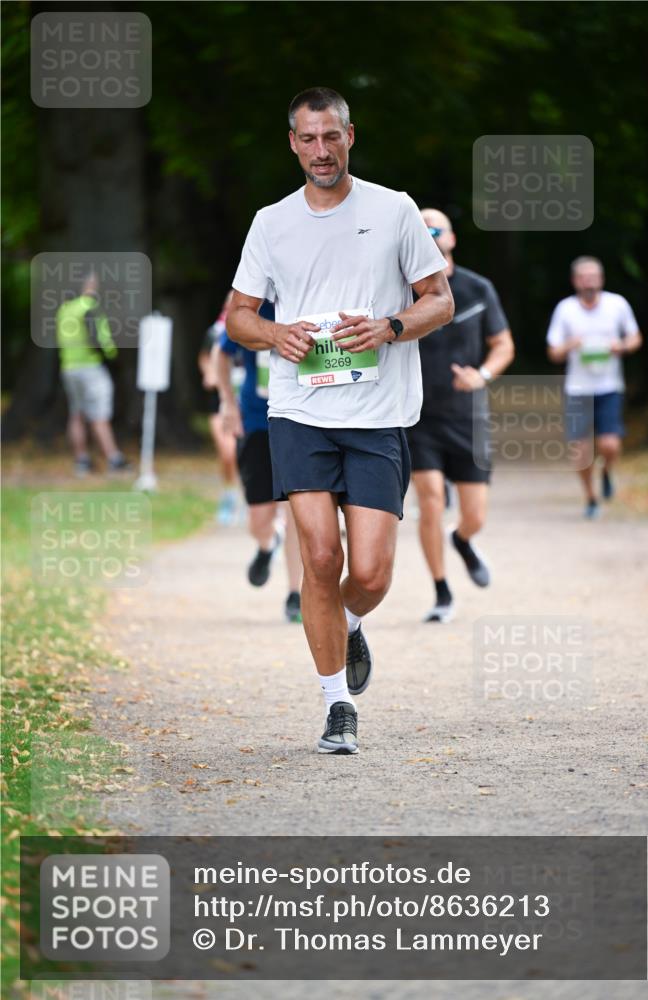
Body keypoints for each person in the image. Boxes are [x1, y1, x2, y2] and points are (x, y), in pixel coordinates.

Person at [226, 87, 453, 755]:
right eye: (307, 138)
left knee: (374, 572)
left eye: (331, 137)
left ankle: (350, 620)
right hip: (300, 410)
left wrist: (388, 326)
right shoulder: (271, 221)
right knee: (320, 557)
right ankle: (336, 706)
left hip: (378, 414)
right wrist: (274, 336)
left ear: (349, 136)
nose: (320, 150)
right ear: (291, 143)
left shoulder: (394, 210)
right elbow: (238, 314)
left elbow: (437, 301)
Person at [407, 209, 515, 623]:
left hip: (466, 417)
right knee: (430, 502)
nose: (430, 234)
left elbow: (503, 343)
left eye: (436, 228)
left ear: (452, 238)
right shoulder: (401, 290)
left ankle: (464, 541)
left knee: (475, 516)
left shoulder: (476, 288)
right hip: (418, 417)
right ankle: (441, 592)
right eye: (421, 229)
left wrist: (483, 375)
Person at [218, 299, 303, 622]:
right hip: (257, 421)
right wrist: (228, 402)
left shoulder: (311, 301)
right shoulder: (253, 311)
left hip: (302, 422)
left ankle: (295, 592)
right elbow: (221, 354)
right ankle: (268, 544)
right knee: (258, 519)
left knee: (299, 510)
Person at [546, 257, 642, 519]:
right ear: (575, 280)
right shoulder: (565, 309)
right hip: (577, 389)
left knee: (610, 445)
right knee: (580, 450)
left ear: (601, 279)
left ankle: (608, 471)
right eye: (583, 276)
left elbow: (635, 338)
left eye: (593, 276)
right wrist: (570, 345)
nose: (589, 281)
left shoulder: (617, 304)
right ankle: (590, 497)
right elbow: (553, 351)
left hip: (609, 386)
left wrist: (620, 347)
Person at [56, 272, 129, 476]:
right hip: (91, 366)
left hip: (69, 367)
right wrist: (111, 358)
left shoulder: (65, 309)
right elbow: (97, 338)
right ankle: (113, 458)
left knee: (77, 414)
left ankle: (82, 461)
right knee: (100, 414)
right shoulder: (89, 306)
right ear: (89, 285)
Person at [199, 300, 242, 525]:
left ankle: (246, 499)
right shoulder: (215, 332)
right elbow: (205, 357)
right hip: (218, 402)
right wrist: (210, 374)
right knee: (227, 453)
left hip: (245, 402)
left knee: (243, 453)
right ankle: (229, 494)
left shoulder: (253, 329)